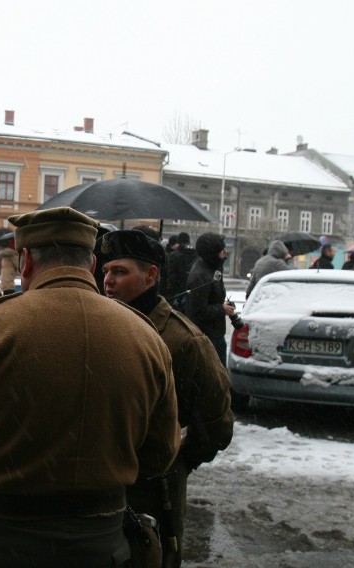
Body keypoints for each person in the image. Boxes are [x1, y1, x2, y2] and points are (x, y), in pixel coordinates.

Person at [0, 207, 179, 567]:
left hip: (0, 542)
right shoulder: (145, 336)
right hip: (103, 540)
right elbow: (160, 453)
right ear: (93, 264)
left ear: (26, 261)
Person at [100, 229, 233, 568]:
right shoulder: (100, 327)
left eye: (120, 272)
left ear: (151, 275)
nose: (108, 281)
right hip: (101, 490)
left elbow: (217, 424)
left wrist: (177, 461)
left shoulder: (183, 341)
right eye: (105, 271)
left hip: (154, 494)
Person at [183, 232, 235, 366]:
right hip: (206, 339)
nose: (225, 251)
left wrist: (221, 305)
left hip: (215, 335)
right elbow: (198, 312)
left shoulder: (213, 267)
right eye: (221, 250)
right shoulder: (200, 276)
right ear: (212, 253)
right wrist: (221, 308)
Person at [167, 232, 197, 305]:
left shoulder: (174, 255)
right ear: (188, 241)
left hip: (178, 293)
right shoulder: (196, 253)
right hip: (192, 290)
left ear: (178, 242)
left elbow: (172, 276)